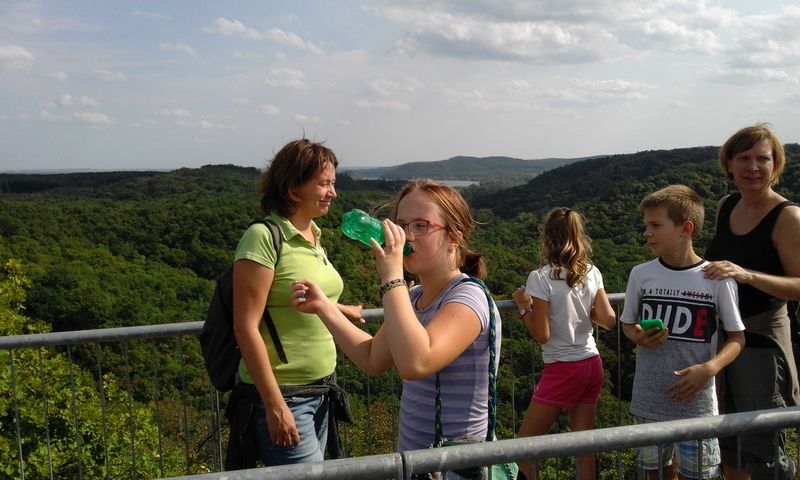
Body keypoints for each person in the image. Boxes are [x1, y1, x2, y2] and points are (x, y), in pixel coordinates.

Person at [291, 179, 502, 472]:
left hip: (458, 467)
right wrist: (324, 308)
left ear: (453, 236)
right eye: (401, 225)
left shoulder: (469, 297)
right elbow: (372, 358)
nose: (406, 236)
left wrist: (392, 277)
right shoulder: (413, 297)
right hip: (417, 462)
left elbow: (417, 362)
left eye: (420, 226)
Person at [228, 139, 360, 468]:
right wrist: (275, 405)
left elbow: (300, 297)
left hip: (322, 390)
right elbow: (245, 325)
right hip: (285, 396)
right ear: (293, 188)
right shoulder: (264, 237)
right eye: (324, 184)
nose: (333, 193)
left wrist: (341, 309)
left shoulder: (314, 235)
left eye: (333, 183)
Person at [621, 185, 745, 480]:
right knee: (654, 473)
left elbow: (737, 338)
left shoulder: (716, 279)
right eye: (646, 225)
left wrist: (710, 368)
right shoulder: (641, 274)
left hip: (696, 403)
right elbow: (627, 324)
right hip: (649, 398)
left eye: (656, 225)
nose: (646, 233)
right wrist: (637, 336)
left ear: (685, 228)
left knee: (698, 475)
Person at [703, 123, 800, 480]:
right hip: (724, 338)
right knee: (726, 436)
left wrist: (748, 275)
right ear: (729, 164)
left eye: (763, 158)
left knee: (762, 447)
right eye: (743, 158)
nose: (753, 167)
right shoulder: (726, 205)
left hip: (761, 344)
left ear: (776, 164)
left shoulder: (787, 217)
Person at [512, 207, 616, 480]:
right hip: (591, 363)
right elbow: (608, 319)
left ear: (547, 238)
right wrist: (585, 312)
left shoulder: (540, 277)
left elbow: (542, 334)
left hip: (563, 367)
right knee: (583, 443)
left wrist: (523, 308)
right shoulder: (591, 272)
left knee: (523, 446)